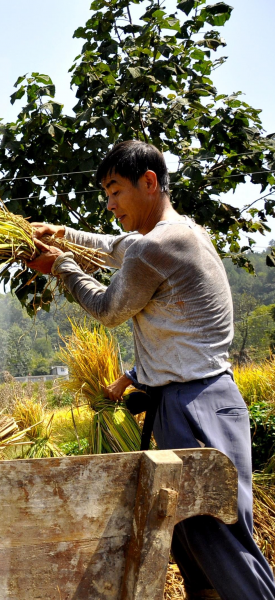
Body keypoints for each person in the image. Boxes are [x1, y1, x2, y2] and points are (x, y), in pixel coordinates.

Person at [26, 140, 275, 600]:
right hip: (206, 399)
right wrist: (63, 234)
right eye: (105, 193)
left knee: (214, 534)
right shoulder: (183, 233)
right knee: (192, 540)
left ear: (149, 182)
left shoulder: (156, 246)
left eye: (116, 190)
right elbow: (115, 248)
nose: (110, 204)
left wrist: (61, 266)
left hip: (193, 407)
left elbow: (107, 307)